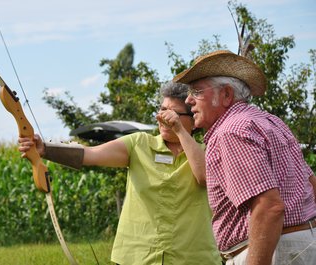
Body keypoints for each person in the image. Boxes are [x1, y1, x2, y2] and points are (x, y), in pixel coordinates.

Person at [18, 81, 221, 265]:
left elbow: (204, 177)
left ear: (192, 120)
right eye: (162, 110)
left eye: (173, 113)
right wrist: (45, 149)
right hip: (138, 257)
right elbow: (90, 154)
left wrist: (179, 131)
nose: (163, 118)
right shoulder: (139, 144)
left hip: (193, 258)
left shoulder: (206, 150)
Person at [173, 50, 316, 265]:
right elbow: (311, 183)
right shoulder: (271, 122)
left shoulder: (231, 131)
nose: (188, 100)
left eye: (197, 91)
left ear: (226, 95)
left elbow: (268, 208)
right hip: (303, 243)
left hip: (272, 250)